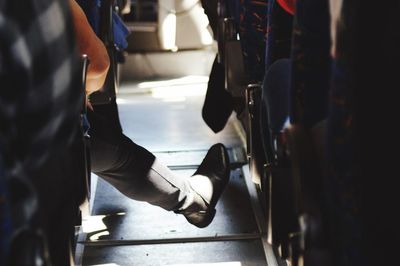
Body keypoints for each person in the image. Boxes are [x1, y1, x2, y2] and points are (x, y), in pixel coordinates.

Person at [69, 0, 231, 228]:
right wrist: (81, 92)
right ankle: (191, 199)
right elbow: (97, 65)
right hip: (45, 144)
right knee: (105, 147)